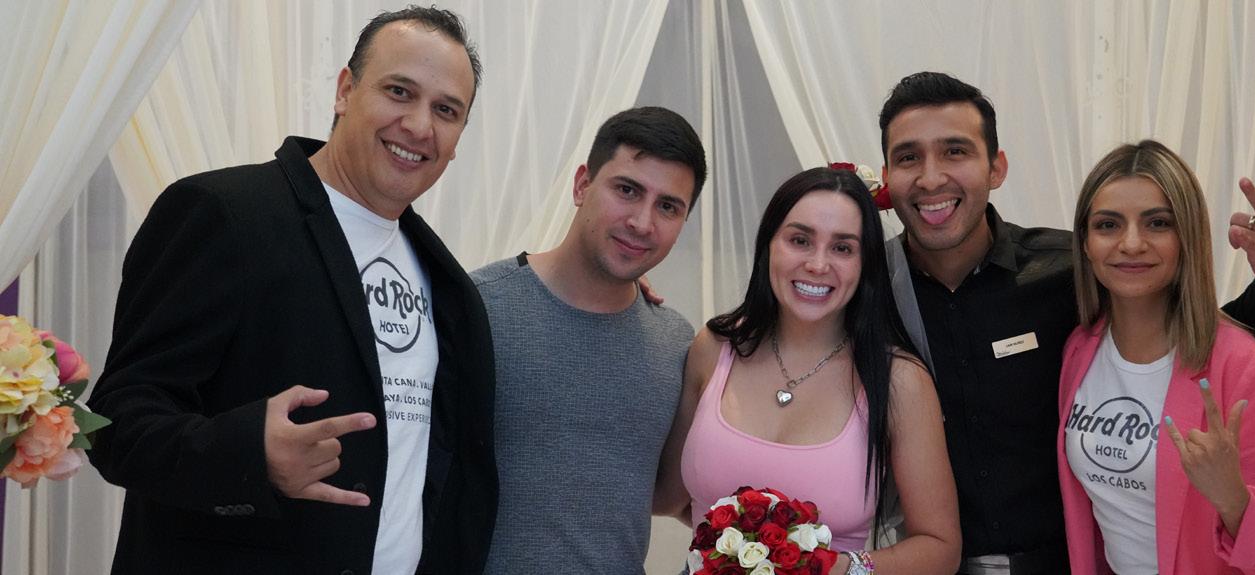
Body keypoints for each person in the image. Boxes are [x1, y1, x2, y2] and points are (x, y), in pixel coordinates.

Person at [87, 7, 495, 573]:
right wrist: (249, 453)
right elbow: (116, 424)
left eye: (446, 110)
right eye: (399, 91)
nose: (420, 126)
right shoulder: (223, 214)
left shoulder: (446, 282)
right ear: (345, 91)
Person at [876, 72, 1255, 574]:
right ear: (886, 175)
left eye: (955, 151)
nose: (931, 178)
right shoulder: (866, 292)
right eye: (909, 157)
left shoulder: (1069, 271)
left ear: (996, 167)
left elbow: (1197, 343)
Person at [658, 166, 963, 575]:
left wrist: (838, 568)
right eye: (800, 240)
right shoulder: (714, 348)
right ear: (769, 245)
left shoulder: (899, 381)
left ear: (865, 264)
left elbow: (940, 549)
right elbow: (667, 496)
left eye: (842, 248)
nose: (818, 264)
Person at [1057, 140, 1255, 574]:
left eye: (1157, 223)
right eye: (1108, 225)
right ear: (1085, 242)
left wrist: (1235, 501)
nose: (1131, 243)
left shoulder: (1244, 369)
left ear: (1187, 238)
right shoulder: (1079, 349)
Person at [472, 106, 706, 574]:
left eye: (668, 206)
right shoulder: (478, 307)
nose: (642, 222)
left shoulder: (676, 342)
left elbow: (661, 494)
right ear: (582, 185)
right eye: (627, 190)